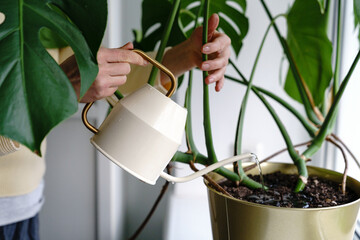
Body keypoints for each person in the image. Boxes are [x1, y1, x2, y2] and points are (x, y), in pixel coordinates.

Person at [0, 13, 230, 239]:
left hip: (25, 204)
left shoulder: (35, 6)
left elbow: (102, 75)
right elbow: (60, 81)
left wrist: (185, 56)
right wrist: (55, 89)